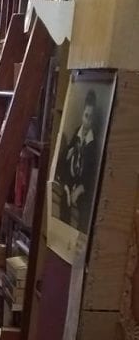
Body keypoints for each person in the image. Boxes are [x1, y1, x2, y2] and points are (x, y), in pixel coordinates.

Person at [56, 89, 98, 233]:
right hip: (71, 178)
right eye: (86, 116)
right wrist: (69, 154)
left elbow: (90, 173)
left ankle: (77, 240)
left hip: (82, 183)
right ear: (82, 115)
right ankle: (63, 235)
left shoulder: (92, 143)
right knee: (64, 200)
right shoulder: (77, 133)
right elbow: (65, 160)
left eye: (91, 118)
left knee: (84, 207)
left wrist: (79, 189)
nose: (87, 121)